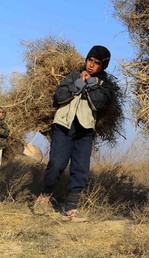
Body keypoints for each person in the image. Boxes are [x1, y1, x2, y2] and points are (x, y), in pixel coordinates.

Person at [33, 45, 114, 221]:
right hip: (63, 126)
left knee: (80, 169)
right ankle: (45, 195)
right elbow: (59, 96)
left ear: (103, 66)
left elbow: (101, 104)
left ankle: (70, 208)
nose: (91, 65)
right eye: (90, 60)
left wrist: (91, 85)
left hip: (84, 130)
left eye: (97, 63)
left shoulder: (104, 84)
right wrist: (78, 84)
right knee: (56, 164)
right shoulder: (72, 75)